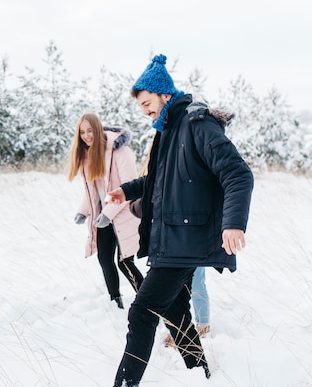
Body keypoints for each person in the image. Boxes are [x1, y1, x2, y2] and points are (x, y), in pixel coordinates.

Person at [107, 54, 254, 386]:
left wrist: (233, 223)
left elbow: (237, 173)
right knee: (174, 310)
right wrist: (126, 192)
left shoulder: (196, 123)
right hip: (173, 238)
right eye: (140, 106)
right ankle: (200, 373)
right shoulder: (169, 132)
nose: (144, 111)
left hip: (184, 240)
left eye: (147, 103)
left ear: (164, 94)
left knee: (141, 312)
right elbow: (157, 179)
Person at [67, 113, 144, 309]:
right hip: (102, 216)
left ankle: (148, 302)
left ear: (98, 128)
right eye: (82, 132)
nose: (86, 136)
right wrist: (83, 211)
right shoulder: (88, 155)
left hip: (123, 214)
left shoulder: (119, 151)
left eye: (90, 130)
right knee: (104, 258)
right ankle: (114, 301)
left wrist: (108, 214)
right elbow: (92, 190)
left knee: (125, 262)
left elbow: (130, 187)